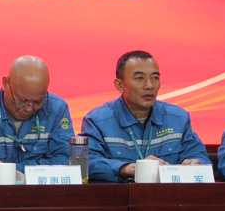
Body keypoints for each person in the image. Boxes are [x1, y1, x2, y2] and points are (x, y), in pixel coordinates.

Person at [81, 50, 210, 182]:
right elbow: (86, 163)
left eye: (155, 78)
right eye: (140, 78)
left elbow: (200, 156)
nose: (149, 85)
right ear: (120, 85)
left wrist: (197, 163)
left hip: (168, 193)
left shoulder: (178, 118)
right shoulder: (97, 120)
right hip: (119, 194)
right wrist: (125, 169)